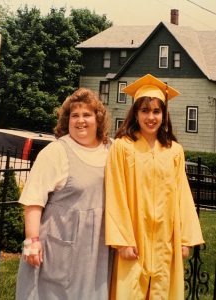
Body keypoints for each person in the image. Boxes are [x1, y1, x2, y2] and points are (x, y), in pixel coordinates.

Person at [105, 74, 204, 300]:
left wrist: (184, 240)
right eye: (145, 111)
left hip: (166, 241)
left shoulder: (174, 151)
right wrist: (122, 241)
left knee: (163, 292)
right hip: (133, 239)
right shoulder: (122, 148)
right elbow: (115, 194)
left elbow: (182, 196)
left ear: (164, 115)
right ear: (136, 114)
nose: (151, 117)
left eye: (156, 111)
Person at [16, 87, 112, 300]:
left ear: (98, 119)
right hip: (60, 246)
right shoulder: (56, 152)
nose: (80, 121)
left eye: (87, 115)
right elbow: (33, 199)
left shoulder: (111, 150)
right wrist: (32, 241)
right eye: (74, 116)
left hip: (98, 248)